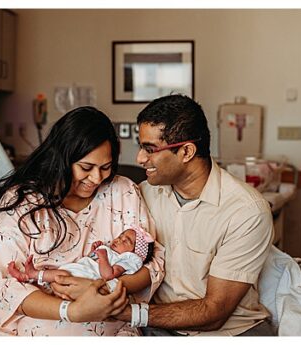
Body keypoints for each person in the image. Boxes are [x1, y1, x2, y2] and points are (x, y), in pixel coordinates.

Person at [0, 106, 165, 336]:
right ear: (62, 160)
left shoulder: (122, 192)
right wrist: (73, 310)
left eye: (105, 167)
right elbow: (7, 285)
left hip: (112, 329)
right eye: (86, 168)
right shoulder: (22, 204)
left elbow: (151, 264)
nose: (97, 178)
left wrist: (102, 289)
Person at [115, 94, 275, 336]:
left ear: (187, 151)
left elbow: (215, 312)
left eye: (150, 149)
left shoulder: (245, 211)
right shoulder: (142, 195)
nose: (139, 158)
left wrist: (130, 313)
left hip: (229, 332)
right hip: (158, 325)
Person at [6, 228, 156, 288]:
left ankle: (31, 275)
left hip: (84, 279)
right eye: (120, 236)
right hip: (79, 269)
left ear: (134, 253)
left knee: (61, 275)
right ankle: (28, 277)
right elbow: (89, 261)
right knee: (56, 274)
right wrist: (94, 251)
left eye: (126, 241)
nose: (118, 239)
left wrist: (103, 257)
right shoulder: (109, 250)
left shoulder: (127, 259)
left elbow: (108, 275)